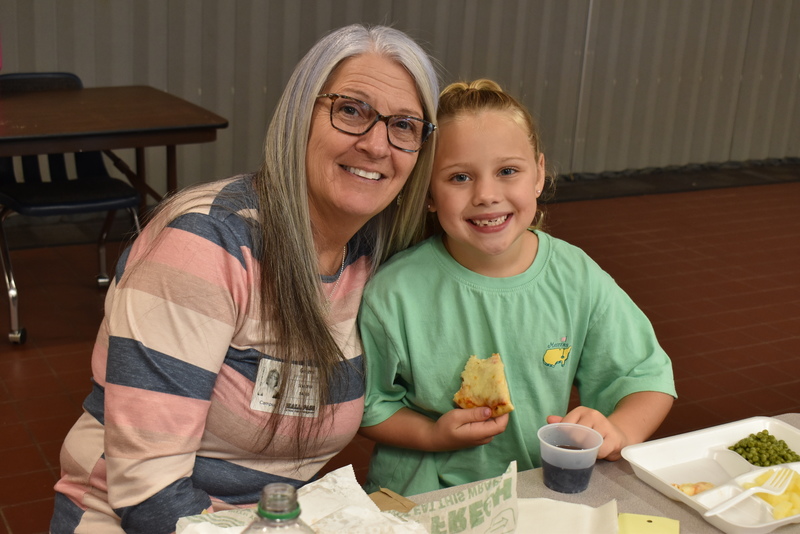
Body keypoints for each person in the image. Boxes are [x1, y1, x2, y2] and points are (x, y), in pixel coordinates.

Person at [50, 24, 439, 533]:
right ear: (300, 116)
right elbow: (147, 491)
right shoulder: (205, 244)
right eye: (351, 110)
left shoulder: (372, 255)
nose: (375, 144)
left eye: (404, 125)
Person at [358, 79, 676, 496]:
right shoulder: (393, 293)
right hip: (417, 501)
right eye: (459, 177)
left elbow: (646, 377)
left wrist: (616, 429)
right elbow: (366, 405)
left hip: (535, 493)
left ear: (539, 174)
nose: (487, 195)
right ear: (428, 193)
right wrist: (433, 435)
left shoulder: (576, 277)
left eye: (508, 171)